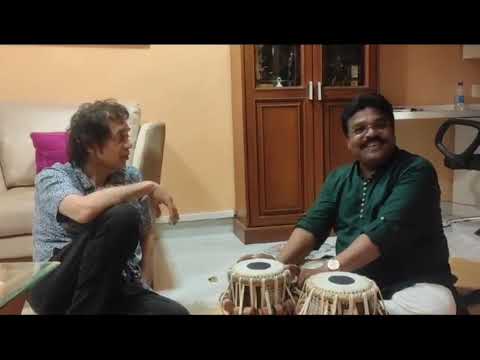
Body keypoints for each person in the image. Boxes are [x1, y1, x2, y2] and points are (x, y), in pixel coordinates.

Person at [230, 93, 458, 315]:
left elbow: (385, 230)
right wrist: (275, 272)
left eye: (380, 125)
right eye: (360, 129)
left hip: (413, 282)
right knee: (290, 282)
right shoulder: (339, 178)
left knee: (436, 306)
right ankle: (350, 307)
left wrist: (327, 270)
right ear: (349, 142)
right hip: (351, 279)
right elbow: (312, 225)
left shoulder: (416, 170)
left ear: (392, 130)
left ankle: (356, 308)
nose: (371, 134)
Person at [29, 99, 189, 315]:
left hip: (113, 286)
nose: (128, 144)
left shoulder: (131, 178)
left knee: (174, 314)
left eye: (128, 136)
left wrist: (145, 287)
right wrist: (149, 186)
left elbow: (148, 236)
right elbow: (82, 210)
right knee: (122, 216)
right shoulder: (53, 177)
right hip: (56, 288)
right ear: (90, 145)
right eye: (121, 137)